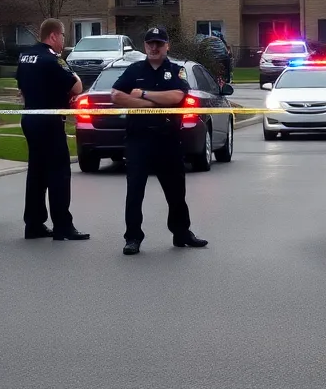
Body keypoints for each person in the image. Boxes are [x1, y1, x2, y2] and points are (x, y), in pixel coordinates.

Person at [111, 26, 208, 255]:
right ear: (145, 46)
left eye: (158, 43)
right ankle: (133, 238)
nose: (154, 48)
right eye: (150, 44)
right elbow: (116, 95)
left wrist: (143, 95)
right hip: (138, 139)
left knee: (176, 191)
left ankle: (181, 233)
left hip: (168, 139)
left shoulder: (175, 70)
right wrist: (154, 105)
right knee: (135, 191)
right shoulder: (134, 70)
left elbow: (177, 96)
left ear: (167, 46)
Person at [15, 18, 89, 242]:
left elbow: (22, 90)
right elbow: (77, 86)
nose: (63, 42)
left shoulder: (25, 57)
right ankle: (63, 227)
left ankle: (34, 224)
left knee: (36, 174)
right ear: (54, 36)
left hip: (30, 120)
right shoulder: (53, 59)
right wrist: (72, 74)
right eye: (63, 37)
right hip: (50, 122)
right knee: (59, 174)